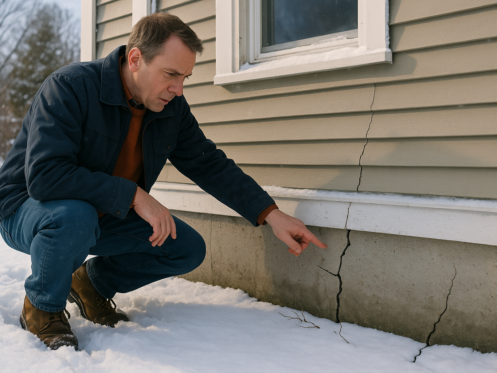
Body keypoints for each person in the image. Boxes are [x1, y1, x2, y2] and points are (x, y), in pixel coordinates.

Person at [0, 13, 327, 350]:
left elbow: (208, 163)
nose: (178, 88)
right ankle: (42, 308)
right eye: (171, 74)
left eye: (185, 76)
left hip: (100, 213)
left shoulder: (171, 108)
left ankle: (89, 285)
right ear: (136, 58)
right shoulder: (70, 87)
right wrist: (134, 195)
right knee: (74, 215)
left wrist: (270, 214)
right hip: (28, 211)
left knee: (184, 248)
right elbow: (45, 177)